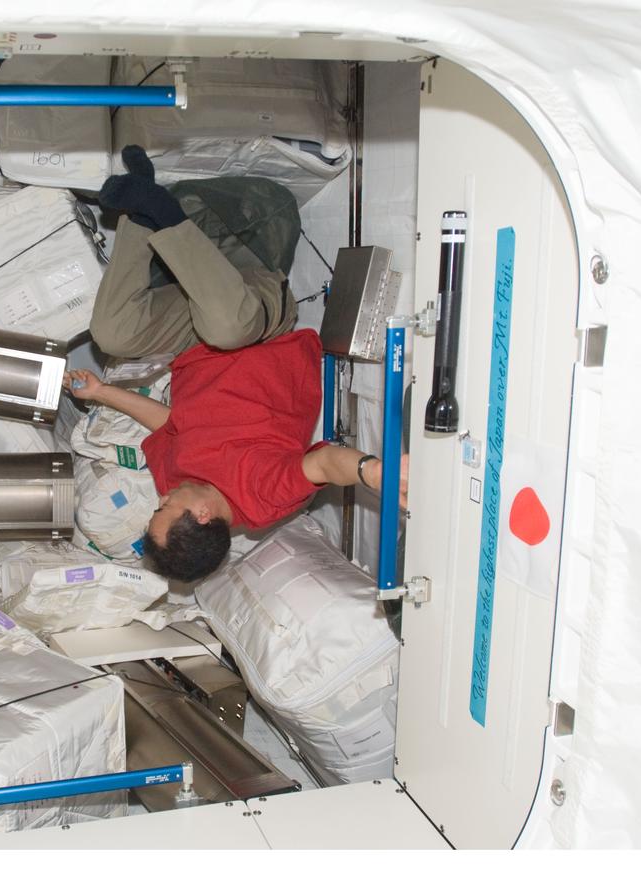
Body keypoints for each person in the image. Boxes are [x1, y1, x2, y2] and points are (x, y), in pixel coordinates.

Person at [68, 146, 407, 583]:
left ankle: (140, 207)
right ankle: (166, 217)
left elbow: (170, 424)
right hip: (262, 327)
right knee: (226, 326)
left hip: (195, 344)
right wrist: (369, 470)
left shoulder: (175, 480)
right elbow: (323, 466)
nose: (162, 497)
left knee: (112, 333)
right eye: (165, 509)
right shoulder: (264, 497)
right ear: (203, 514)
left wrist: (101, 393)